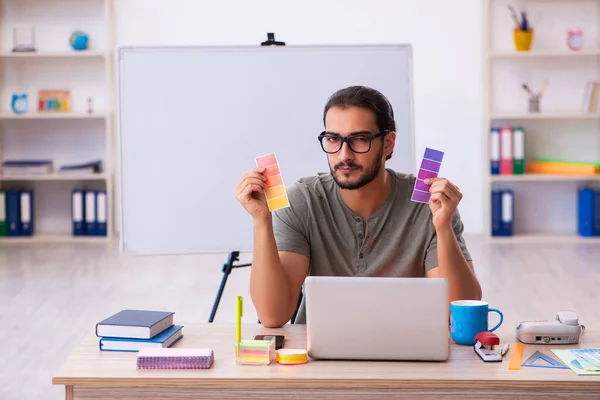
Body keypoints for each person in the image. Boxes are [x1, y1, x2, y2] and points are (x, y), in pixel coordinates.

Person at [234, 85, 482, 328]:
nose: (344, 155)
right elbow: (273, 315)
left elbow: (459, 310)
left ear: (388, 143)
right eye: (333, 139)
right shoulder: (303, 200)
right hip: (317, 360)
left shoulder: (428, 205)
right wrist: (261, 222)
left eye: (359, 139)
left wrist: (443, 227)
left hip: (408, 354)